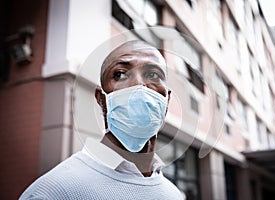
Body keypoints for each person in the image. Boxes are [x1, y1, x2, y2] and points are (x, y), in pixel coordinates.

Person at [19, 40, 184, 199]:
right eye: (119, 74)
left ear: (166, 100)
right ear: (101, 99)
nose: (139, 85)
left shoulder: (174, 194)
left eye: (153, 74)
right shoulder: (52, 192)